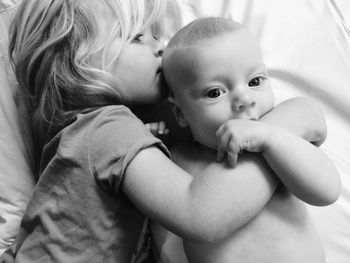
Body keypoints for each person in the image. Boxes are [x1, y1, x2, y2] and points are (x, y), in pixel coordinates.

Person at [1, 1, 337, 262]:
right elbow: (202, 213)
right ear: (79, 61)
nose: (159, 48)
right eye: (138, 37)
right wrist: (281, 126)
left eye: (156, 35)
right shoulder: (105, 129)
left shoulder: (107, 129)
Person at [150, 17, 341, 263]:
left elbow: (327, 191)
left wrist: (271, 139)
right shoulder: (179, 160)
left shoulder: (282, 137)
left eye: (255, 81)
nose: (245, 99)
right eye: (215, 92)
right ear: (179, 113)